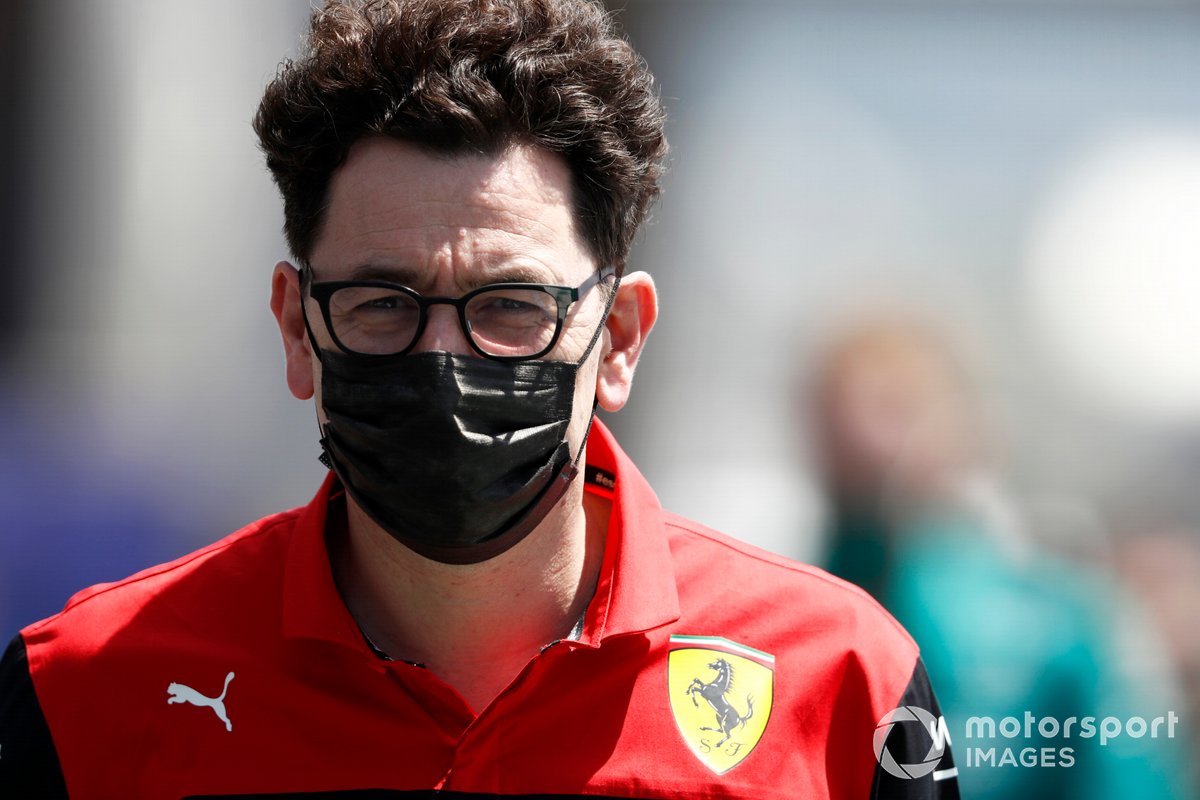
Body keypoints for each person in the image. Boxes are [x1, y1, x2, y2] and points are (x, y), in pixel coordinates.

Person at [0, 2, 959, 797]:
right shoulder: (84, 691)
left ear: (618, 338)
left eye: (509, 306)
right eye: (383, 304)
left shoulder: (843, 685)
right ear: (298, 329)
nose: (445, 359)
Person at [810, 315, 1189, 799]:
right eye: (835, 413)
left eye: (894, 407)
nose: (861, 435)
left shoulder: (1063, 617)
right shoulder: (792, 613)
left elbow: (1133, 781)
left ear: (962, 421)